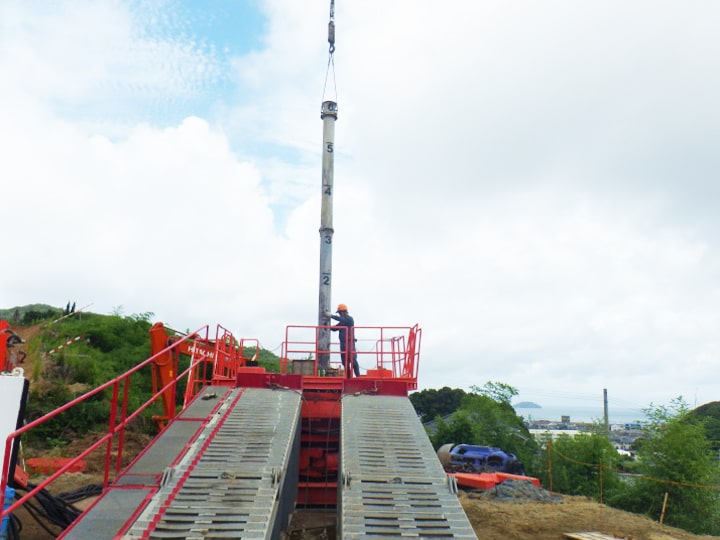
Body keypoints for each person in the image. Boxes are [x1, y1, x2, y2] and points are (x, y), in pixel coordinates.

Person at [328, 303, 360, 377]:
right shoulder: (342, 322)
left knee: (353, 360)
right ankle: (348, 377)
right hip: (343, 343)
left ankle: (358, 376)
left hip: (349, 343)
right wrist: (326, 326)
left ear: (343, 312)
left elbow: (340, 319)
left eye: (339, 313)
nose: (339, 314)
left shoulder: (349, 319)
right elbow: (335, 328)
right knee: (344, 361)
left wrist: (330, 316)